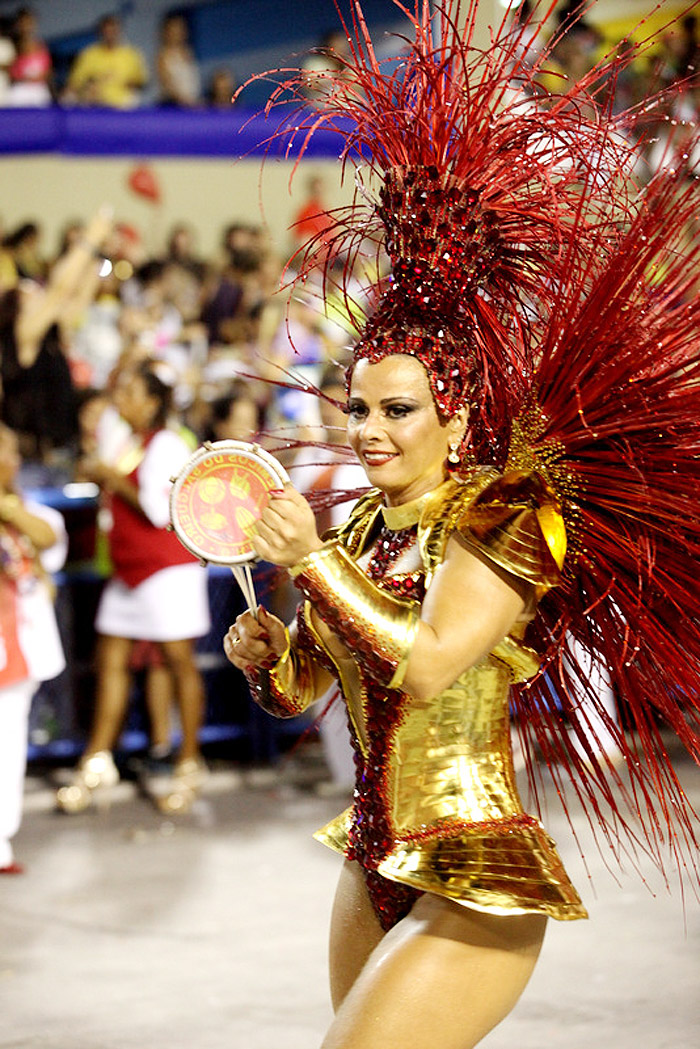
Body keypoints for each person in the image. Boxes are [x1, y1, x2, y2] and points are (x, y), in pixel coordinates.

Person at [222, 3, 700, 1046]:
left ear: (459, 415)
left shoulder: (506, 512)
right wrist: (266, 657)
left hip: (475, 869)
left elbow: (431, 660)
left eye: (398, 411)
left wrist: (310, 564)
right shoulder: (352, 534)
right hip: (370, 854)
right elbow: (314, 683)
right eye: (358, 408)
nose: (371, 431)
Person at [56, 358, 210, 816]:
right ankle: (97, 759)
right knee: (111, 660)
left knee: (180, 662)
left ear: (151, 401)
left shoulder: (165, 444)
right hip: (129, 571)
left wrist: (109, 479)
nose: (120, 400)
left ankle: (189, 762)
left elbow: (159, 511)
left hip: (165, 571)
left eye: (129, 392)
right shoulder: (129, 441)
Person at [0, 423, 66, 873]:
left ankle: (1, 841)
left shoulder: (26, 513)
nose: (14, 458)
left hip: (15, 648)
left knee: (7, 739)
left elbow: (47, 541)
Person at [65, 13, 148, 109]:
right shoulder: (89, 54)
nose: (109, 35)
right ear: (100, 32)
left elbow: (141, 82)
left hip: (122, 102)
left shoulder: (132, 54)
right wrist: (89, 86)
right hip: (94, 101)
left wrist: (128, 83)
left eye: (113, 31)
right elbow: (75, 82)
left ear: (119, 31)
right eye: (106, 31)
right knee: (69, 99)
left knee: (131, 100)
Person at [156, 13, 201, 108]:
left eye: (180, 29)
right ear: (166, 31)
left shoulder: (188, 53)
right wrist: (186, 101)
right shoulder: (163, 56)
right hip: (173, 105)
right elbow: (167, 86)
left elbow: (193, 82)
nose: (178, 32)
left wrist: (195, 101)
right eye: (174, 29)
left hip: (192, 103)